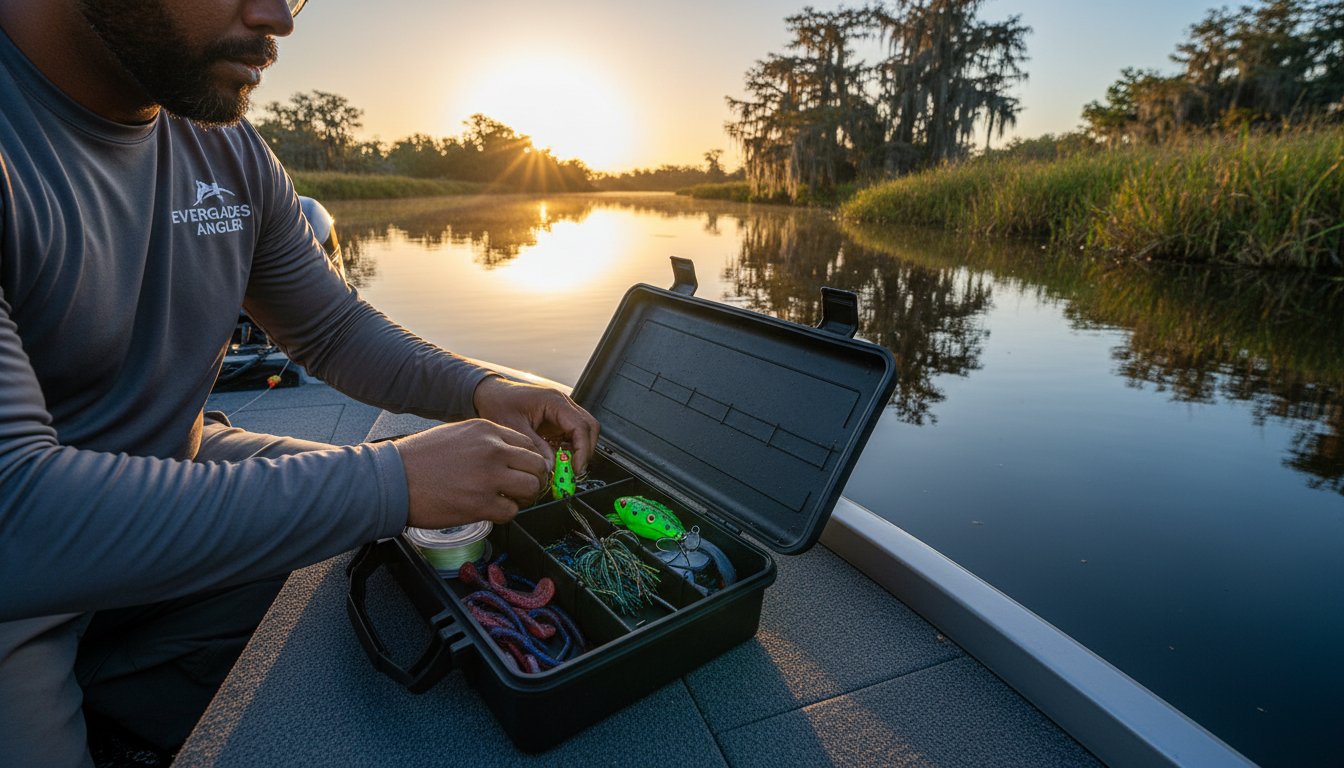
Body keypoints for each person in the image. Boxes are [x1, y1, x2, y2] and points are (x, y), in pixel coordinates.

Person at [0, 0, 600, 764]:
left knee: (395, 540)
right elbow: (16, 508)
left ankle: (128, 688)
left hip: (176, 463)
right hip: (21, 570)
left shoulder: (225, 147)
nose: (279, 17)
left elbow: (333, 329)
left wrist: (485, 389)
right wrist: (393, 480)